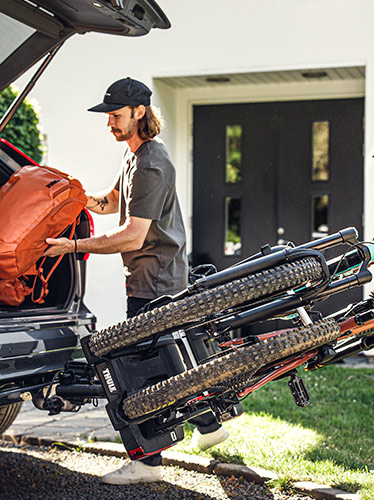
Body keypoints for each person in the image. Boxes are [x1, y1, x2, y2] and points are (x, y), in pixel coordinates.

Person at [45, 77, 229, 484]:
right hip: (154, 276)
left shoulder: (150, 162)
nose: (109, 123)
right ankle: (210, 427)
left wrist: (73, 246)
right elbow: (113, 201)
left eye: (115, 115)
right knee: (170, 366)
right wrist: (75, 197)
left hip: (155, 282)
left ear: (139, 113)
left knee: (140, 376)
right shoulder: (136, 156)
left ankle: (148, 464)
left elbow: (133, 234)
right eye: (108, 116)